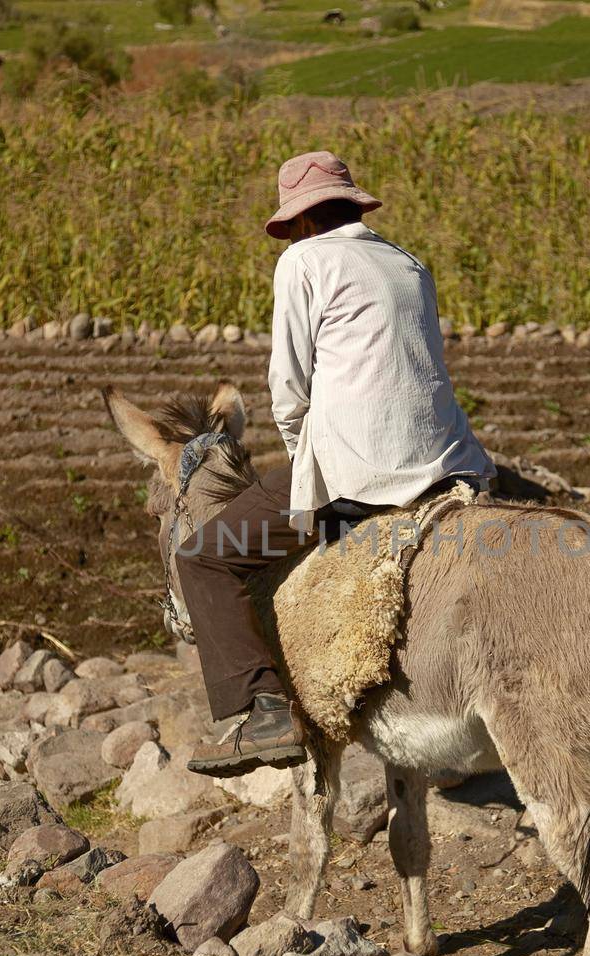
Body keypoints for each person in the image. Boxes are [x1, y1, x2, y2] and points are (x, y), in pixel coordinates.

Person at [182, 150, 494, 778]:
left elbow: (289, 388)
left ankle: (263, 712)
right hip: (453, 465)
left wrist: (305, 469)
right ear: (352, 205)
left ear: (297, 221)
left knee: (205, 558)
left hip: (365, 479)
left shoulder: (303, 260)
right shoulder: (408, 263)